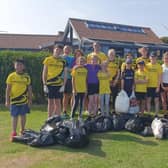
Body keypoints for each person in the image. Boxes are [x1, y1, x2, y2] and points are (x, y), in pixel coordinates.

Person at [5, 59, 32, 141]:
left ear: (23, 66)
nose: (19, 66)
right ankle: (14, 132)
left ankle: (22, 130)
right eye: (17, 65)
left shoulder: (27, 76)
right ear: (14, 66)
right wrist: (7, 100)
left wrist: (30, 100)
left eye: (20, 65)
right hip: (14, 101)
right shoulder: (11, 76)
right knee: (14, 116)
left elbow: (29, 89)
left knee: (23, 115)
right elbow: (8, 89)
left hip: (24, 101)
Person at [42, 44, 67, 118]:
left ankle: (57, 118)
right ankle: (49, 118)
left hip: (59, 85)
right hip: (49, 84)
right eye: (57, 50)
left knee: (58, 103)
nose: (58, 52)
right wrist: (44, 84)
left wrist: (63, 85)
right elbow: (44, 72)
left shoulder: (63, 61)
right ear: (54, 50)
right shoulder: (48, 59)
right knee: (50, 103)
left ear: (61, 52)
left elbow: (65, 74)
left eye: (60, 50)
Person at [146, 51, 162, 116]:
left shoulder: (159, 66)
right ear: (150, 57)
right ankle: (149, 113)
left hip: (156, 86)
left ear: (156, 58)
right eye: (152, 57)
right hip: (148, 86)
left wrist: (158, 87)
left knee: (156, 100)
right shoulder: (147, 65)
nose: (153, 58)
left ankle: (156, 114)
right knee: (148, 100)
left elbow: (160, 77)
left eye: (154, 57)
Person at [62, 45, 74, 117]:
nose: (67, 50)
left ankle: (72, 110)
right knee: (64, 96)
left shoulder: (72, 58)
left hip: (69, 78)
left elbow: (73, 69)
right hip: (60, 78)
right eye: (66, 48)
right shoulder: (60, 57)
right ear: (63, 50)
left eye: (69, 49)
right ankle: (64, 111)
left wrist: (68, 69)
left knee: (70, 95)